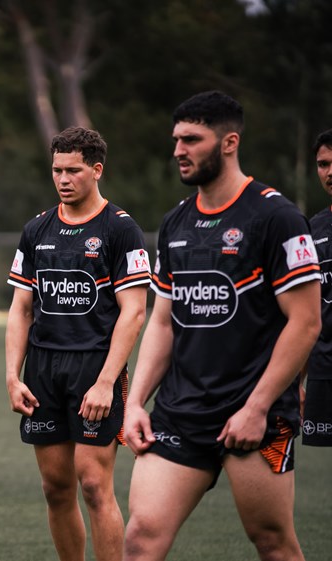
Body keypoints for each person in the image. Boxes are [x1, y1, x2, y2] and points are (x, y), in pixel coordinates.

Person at [123, 91, 321, 561]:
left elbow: (306, 322)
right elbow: (163, 323)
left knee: (273, 543)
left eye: (192, 139)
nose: (178, 151)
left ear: (229, 142)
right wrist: (134, 403)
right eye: (176, 139)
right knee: (140, 538)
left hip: (255, 413)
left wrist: (256, 407)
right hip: (180, 411)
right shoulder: (175, 222)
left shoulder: (277, 218)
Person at [5, 127, 151, 561]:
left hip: (95, 369)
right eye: (56, 170)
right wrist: (12, 376)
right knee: (55, 488)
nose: (63, 179)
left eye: (73, 170)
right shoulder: (36, 230)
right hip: (44, 371)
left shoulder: (121, 230)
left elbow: (134, 312)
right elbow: (20, 309)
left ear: (96, 170)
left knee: (93, 485)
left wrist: (107, 382)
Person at [303, 128, 332, 447]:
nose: (330, 172)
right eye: (323, 164)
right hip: (324, 372)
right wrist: (298, 381)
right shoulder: (313, 230)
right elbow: (306, 313)